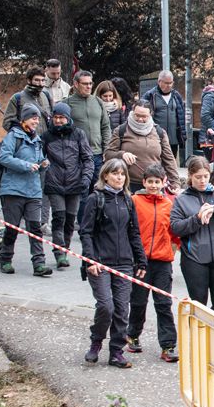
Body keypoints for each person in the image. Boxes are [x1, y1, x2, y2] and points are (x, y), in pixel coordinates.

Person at [79, 159, 147, 369]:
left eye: (122, 174)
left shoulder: (128, 200)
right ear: (105, 176)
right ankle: (96, 341)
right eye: (115, 173)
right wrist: (90, 260)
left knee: (121, 310)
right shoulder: (95, 199)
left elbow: (134, 232)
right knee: (106, 306)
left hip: (124, 263)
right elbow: (86, 232)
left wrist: (141, 260)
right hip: (99, 263)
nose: (119, 177)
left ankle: (116, 351)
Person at [170, 157, 214, 314]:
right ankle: (198, 335)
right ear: (190, 176)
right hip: (194, 257)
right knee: (199, 304)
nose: (202, 181)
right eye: (198, 177)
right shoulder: (181, 200)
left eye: (205, 176)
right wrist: (197, 219)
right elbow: (175, 227)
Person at [126, 163, 179, 363]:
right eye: (150, 182)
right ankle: (132, 334)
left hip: (163, 262)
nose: (154, 185)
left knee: (163, 304)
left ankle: (168, 345)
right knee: (138, 301)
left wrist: (172, 249)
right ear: (144, 182)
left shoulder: (169, 204)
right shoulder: (134, 201)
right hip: (140, 261)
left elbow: (175, 232)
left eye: (157, 182)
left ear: (164, 182)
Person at [0, 104, 52, 276]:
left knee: (35, 228)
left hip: (33, 191)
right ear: (24, 120)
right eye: (33, 118)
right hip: (13, 190)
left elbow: (39, 162)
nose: (36, 121)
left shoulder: (37, 140)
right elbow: (4, 157)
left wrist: (44, 164)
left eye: (37, 118)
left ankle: (39, 264)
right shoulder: (13, 136)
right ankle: (5, 259)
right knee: (12, 228)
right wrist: (27, 166)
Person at [43, 102, 94, 268]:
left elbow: (87, 158)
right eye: (56, 117)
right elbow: (39, 157)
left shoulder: (78, 134)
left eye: (62, 117)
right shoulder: (46, 136)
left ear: (68, 118)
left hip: (75, 183)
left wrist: (86, 178)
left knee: (70, 220)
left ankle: (66, 248)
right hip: (54, 183)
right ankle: (60, 253)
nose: (58, 121)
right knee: (59, 217)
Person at [104, 100, 178, 194]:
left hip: (154, 185)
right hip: (129, 185)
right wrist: (122, 155)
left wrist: (175, 182)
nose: (140, 119)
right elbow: (108, 154)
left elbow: (169, 159)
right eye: (137, 115)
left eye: (144, 116)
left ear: (150, 114)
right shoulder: (121, 130)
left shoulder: (160, 132)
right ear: (132, 112)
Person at [66, 69, 111, 183]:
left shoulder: (98, 102)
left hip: (97, 154)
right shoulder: (66, 103)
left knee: (98, 189)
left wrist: (107, 149)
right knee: (81, 191)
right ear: (76, 84)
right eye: (85, 84)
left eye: (90, 83)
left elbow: (105, 127)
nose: (89, 86)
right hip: (77, 155)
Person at [141, 70, 188, 159]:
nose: (169, 85)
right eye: (166, 83)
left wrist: (182, 135)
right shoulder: (150, 95)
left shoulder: (176, 96)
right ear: (159, 82)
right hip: (155, 138)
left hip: (173, 139)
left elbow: (181, 116)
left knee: (171, 164)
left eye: (171, 83)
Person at [2, 67, 53, 134]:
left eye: (43, 80)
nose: (40, 84)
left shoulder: (46, 95)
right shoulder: (17, 98)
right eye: (37, 80)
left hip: (45, 141)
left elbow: (52, 117)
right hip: (27, 142)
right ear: (29, 80)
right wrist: (24, 133)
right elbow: (7, 123)